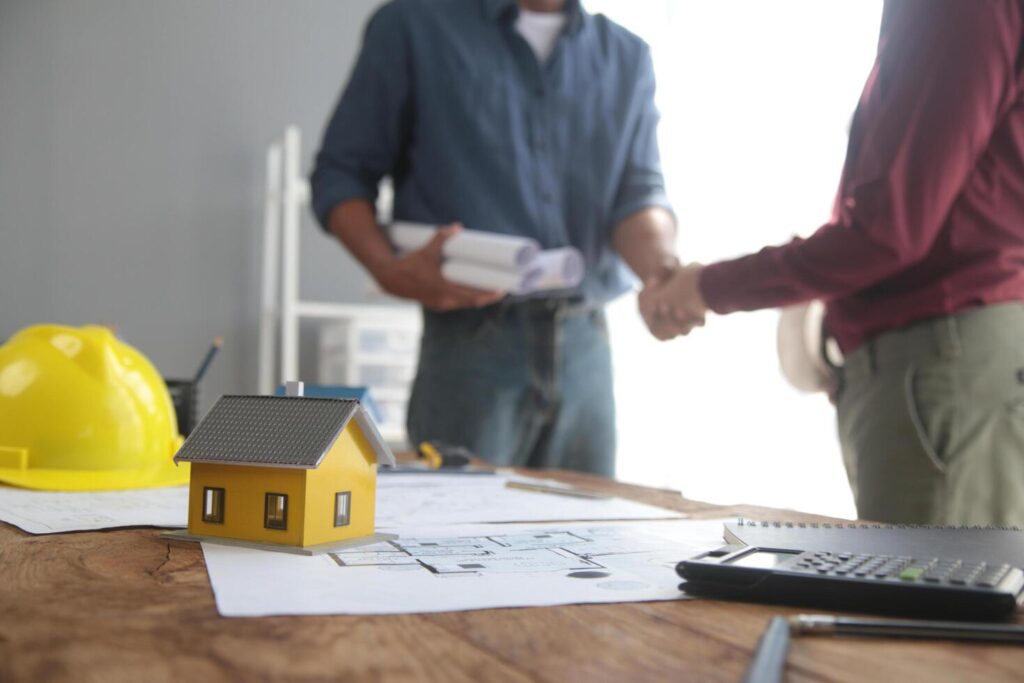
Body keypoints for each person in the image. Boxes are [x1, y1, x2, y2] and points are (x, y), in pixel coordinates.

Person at [642, 0, 1024, 526]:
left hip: (941, 363)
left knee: (928, 606)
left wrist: (706, 287)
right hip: (937, 364)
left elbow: (888, 231)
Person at [311, 0, 677, 476]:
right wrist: (388, 268)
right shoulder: (412, 26)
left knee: (586, 537)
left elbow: (640, 196)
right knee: (448, 539)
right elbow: (341, 175)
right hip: (470, 344)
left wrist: (664, 271)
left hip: (585, 344)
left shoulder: (627, 55)